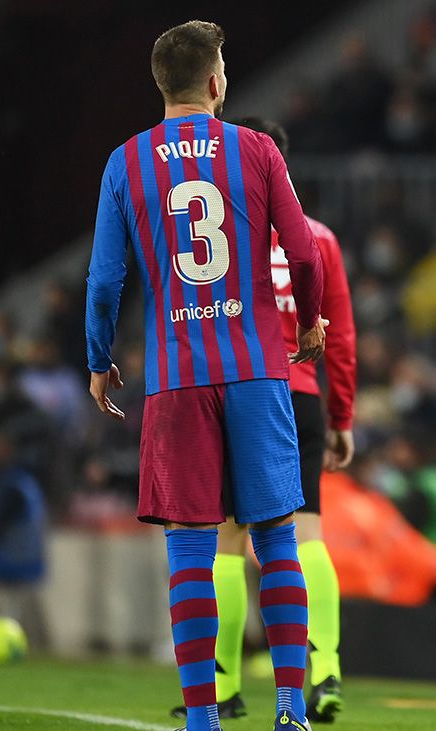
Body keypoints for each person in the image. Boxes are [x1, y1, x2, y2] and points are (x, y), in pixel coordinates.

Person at [84, 21, 326, 731]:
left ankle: (202, 720)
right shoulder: (254, 149)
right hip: (256, 369)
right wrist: (307, 322)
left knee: (190, 550)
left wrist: (100, 358)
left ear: (162, 84)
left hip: (174, 377)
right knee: (276, 538)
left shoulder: (126, 161)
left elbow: (104, 279)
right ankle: (290, 709)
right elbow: (304, 251)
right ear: (217, 83)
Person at [168, 117, 356, 724]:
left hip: (229, 388)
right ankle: (324, 672)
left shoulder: (217, 232)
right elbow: (341, 335)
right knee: (306, 536)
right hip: (297, 394)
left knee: (223, 539)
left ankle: (221, 684)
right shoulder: (318, 238)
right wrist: (340, 416)